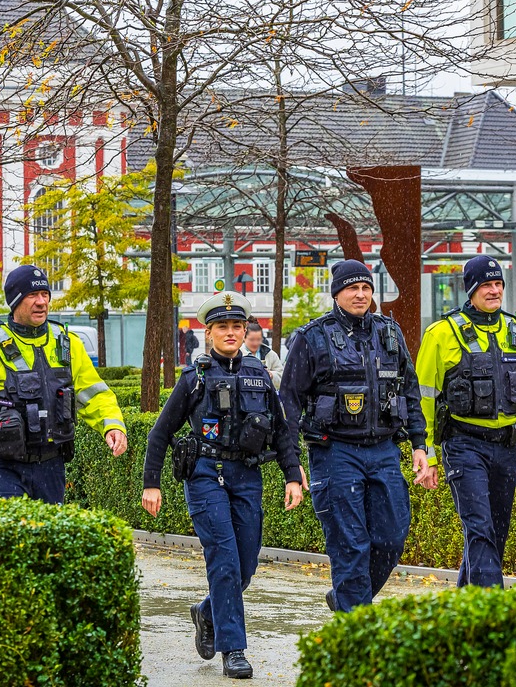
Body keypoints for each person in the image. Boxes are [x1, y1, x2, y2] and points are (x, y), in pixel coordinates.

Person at [143, 291, 303, 680]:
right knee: (225, 562)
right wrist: (152, 484)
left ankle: (207, 611)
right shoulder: (193, 378)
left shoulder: (260, 374)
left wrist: (293, 474)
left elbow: (281, 432)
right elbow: (160, 434)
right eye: (223, 327)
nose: (231, 333)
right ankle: (233, 649)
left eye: (237, 326)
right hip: (204, 476)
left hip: (246, 476)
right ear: (208, 332)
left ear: (245, 331)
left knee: (246, 565)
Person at [279, 259, 430, 613]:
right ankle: (355, 629)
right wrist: (291, 463)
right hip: (335, 453)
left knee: (392, 538)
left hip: (384, 451)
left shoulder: (389, 333)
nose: (361, 294)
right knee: (351, 545)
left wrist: (419, 444)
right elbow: (289, 402)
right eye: (352, 288)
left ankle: (347, 596)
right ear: (337, 293)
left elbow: (409, 390)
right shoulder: (311, 337)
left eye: (366, 288)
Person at [415, 255, 516, 588]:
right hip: (463, 445)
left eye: (498, 284)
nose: (495, 291)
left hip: (506, 448)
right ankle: (492, 614)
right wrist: (427, 454)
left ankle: (465, 611)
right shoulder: (441, 334)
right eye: (486, 285)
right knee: (480, 528)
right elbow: (421, 397)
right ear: (471, 290)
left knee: (493, 534)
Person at [0, 265, 127, 502]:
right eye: (32, 295)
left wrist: (112, 426)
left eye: (45, 295)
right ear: (15, 301)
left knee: (50, 537)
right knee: (15, 535)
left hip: (52, 467)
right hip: (3, 468)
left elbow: (95, 395)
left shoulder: (68, 344)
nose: (41, 302)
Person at [241, 319, 284, 389]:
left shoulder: (270, 354)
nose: (255, 343)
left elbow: (283, 378)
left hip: (265, 396)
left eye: (258, 339)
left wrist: (271, 375)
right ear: (244, 338)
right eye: (251, 340)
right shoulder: (237, 353)